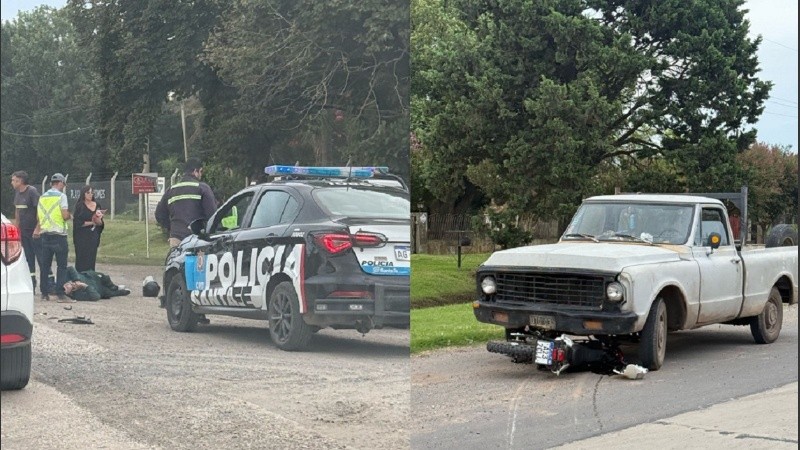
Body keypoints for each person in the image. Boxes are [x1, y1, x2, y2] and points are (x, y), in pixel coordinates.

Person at [155, 158, 216, 248]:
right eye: (201, 171)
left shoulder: (171, 190)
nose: (201, 175)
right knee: (198, 261)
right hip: (197, 239)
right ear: (195, 171)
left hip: (176, 238)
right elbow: (212, 214)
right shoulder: (202, 188)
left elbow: (159, 214)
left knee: (177, 261)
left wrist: (171, 228)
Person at [34, 173, 71, 302]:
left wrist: (39, 229)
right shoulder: (62, 196)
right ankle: (61, 294)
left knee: (45, 265)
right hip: (59, 235)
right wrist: (70, 216)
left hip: (45, 234)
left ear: (50, 184)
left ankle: (44, 293)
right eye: (63, 184)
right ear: (60, 183)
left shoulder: (42, 197)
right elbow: (65, 215)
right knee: (61, 265)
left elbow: (39, 216)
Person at [11, 171, 41, 292]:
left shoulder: (32, 192)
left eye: (14, 180)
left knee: (41, 257)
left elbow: (40, 210)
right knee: (28, 258)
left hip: (33, 232)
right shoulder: (17, 194)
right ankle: (31, 284)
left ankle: (48, 285)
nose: (12, 182)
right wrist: (16, 228)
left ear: (20, 181)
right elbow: (17, 212)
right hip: (23, 231)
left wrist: (38, 227)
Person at [72, 184, 104, 272]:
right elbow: (77, 223)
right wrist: (91, 222)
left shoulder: (97, 205)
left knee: (91, 257)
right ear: (83, 194)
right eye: (88, 192)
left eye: (92, 193)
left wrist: (99, 222)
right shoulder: (80, 206)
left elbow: (101, 223)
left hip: (93, 235)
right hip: (82, 236)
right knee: (82, 258)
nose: (90, 194)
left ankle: (91, 276)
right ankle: (80, 277)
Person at [62, 266, 130, 302]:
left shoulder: (67, 277)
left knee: (105, 277)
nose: (73, 285)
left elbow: (70, 268)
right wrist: (85, 286)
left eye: (68, 285)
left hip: (92, 276)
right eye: (72, 288)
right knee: (110, 293)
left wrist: (77, 280)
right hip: (99, 289)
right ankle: (122, 292)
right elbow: (96, 297)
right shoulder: (78, 295)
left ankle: (115, 287)